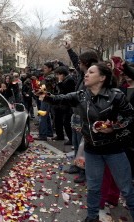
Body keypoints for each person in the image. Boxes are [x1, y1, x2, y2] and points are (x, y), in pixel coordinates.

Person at [38, 62, 134, 222]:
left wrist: (115, 127)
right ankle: (91, 217)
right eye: (86, 72)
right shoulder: (81, 95)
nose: (86, 74)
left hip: (114, 149)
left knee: (126, 189)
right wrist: (45, 95)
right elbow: (59, 99)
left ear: (102, 77)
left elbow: (131, 116)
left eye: (91, 72)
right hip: (92, 150)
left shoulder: (116, 95)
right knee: (94, 188)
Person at [63, 42, 99, 183]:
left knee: (84, 146)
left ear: (87, 63)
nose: (78, 64)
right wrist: (69, 49)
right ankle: (77, 166)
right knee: (77, 142)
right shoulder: (83, 74)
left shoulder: (94, 76)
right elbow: (75, 61)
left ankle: (84, 171)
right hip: (77, 114)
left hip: (86, 116)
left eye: (80, 62)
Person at [52, 66, 75, 145]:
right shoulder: (64, 80)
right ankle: (60, 135)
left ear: (62, 74)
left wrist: (60, 82)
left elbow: (66, 92)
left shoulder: (70, 80)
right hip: (60, 104)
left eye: (58, 74)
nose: (57, 76)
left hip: (67, 104)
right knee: (57, 120)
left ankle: (71, 139)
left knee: (66, 122)